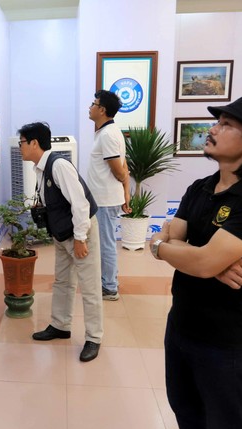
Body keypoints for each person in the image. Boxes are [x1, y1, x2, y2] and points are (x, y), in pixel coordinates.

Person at [148, 94, 242, 429]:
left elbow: (197, 258)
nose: (213, 129)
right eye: (218, 121)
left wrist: (199, 259)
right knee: (189, 423)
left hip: (224, 341)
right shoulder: (201, 187)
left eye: (226, 125)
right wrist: (198, 257)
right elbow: (172, 236)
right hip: (180, 326)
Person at [20, 122, 103, 362]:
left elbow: (80, 205)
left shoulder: (58, 166)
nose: (20, 148)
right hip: (61, 233)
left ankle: (94, 338)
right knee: (63, 282)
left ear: (34, 143)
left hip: (80, 232)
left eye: (22, 143)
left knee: (89, 287)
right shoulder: (41, 169)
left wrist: (80, 239)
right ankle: (60, 325)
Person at [86, 90, 131, 301]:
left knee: (106, 243)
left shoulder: (108, 134)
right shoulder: (107, 132)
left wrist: (125, 190)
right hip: (102, 199)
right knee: (105, 242)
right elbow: (124, 166)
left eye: (93, 104)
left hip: (105, 200)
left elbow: (120, 170)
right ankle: (109, 280)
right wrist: (126, 193)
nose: (90, 107)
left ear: (102, 110)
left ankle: (110, 287)